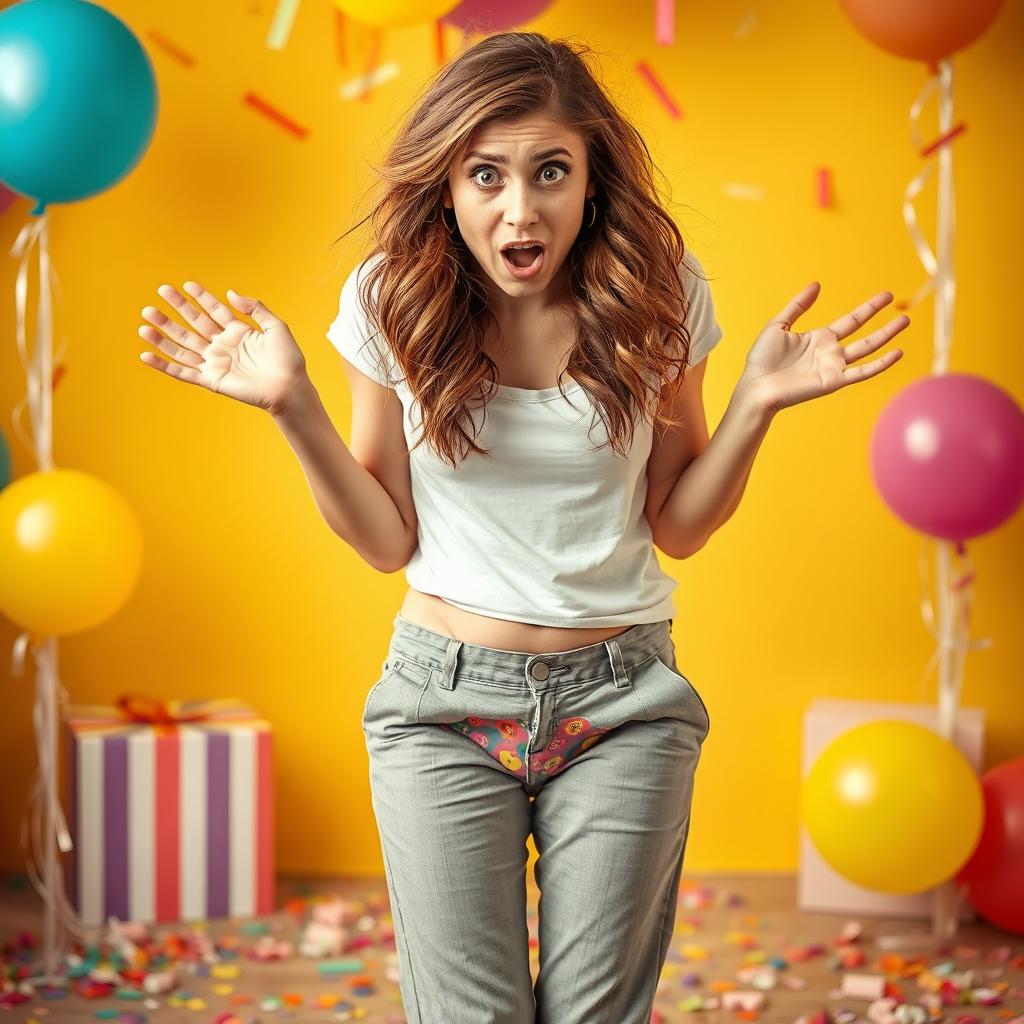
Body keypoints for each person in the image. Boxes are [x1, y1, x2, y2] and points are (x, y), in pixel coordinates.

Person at [136, 30, 909, 1024]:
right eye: (485, 175)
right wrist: (293, 406)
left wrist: (756, 403)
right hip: (438, 704)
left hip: (623, 702)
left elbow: (678, 524)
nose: (518, 207)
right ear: (448, 186)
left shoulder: (660, 294)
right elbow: (386, 539)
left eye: (550, 171)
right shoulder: (391, 298)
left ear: (592, 181)